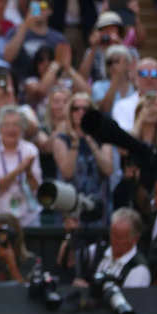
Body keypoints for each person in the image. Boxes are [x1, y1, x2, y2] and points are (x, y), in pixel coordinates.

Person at [0, 105, 42, 227]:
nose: (11, 129)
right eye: (6, 125)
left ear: (22, 128)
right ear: (0, 127)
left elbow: (36, 190)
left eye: (16, 125)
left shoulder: (31, 150)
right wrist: (19, 169)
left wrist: (28, 173)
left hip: (27, 220)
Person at [52, 93, 114, 224]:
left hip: (98, 208)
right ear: (70, 112)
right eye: (76, 108)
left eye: (85, 109)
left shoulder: (103, 139)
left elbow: (108, 169)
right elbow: (67, 173)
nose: (80, 112)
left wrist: (91, 140)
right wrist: (75, 143)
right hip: (70, 209)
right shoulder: (61, 140)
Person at [73, 208, 151, 288]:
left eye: (120, 237)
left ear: (135, 239)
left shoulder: (139, 270)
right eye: (112, 234)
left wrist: (88, 290)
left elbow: (128, 299)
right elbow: (74, 258)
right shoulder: (99, 250)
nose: (114, 241)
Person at [0, 213, 37, 287]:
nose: (1, 238)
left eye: (4, 233)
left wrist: (11, 263)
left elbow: (24, 289)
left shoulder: (29, 259)